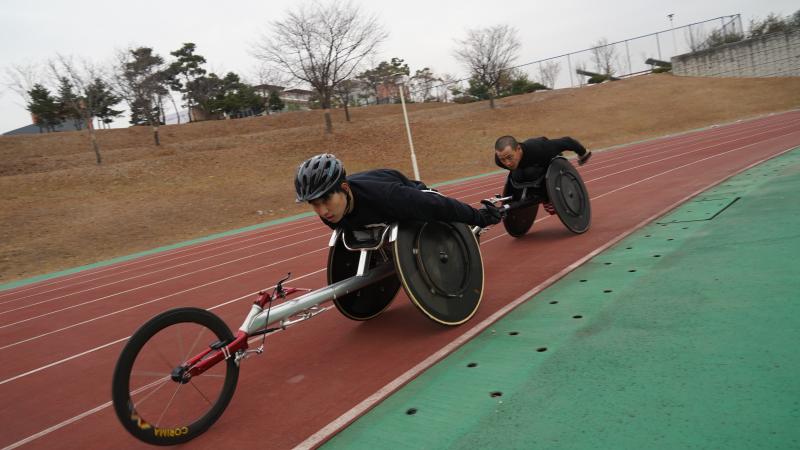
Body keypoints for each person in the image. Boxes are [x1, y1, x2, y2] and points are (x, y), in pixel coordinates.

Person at [295, 153, 503, 230]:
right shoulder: (331, 213)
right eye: (314, 204)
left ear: (345, 188)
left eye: (325, 200)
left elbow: (441, 206)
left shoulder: (389, 197)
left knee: (433, 209)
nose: (322, 211)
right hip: (385, 208)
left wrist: (480, 217)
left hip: (411, 194)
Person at [493, 135, 591, 213]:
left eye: (510, 157)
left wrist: (583, 153)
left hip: (546, 162)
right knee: (517, 176)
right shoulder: (499, 161)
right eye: (503, 159)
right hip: (525, 169)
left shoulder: (539, 149)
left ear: (518, 149)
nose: (507, 163)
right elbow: (509, 164)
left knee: (530, 172)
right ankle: (537, 195)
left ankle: (546, 196)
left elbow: (567, 141)